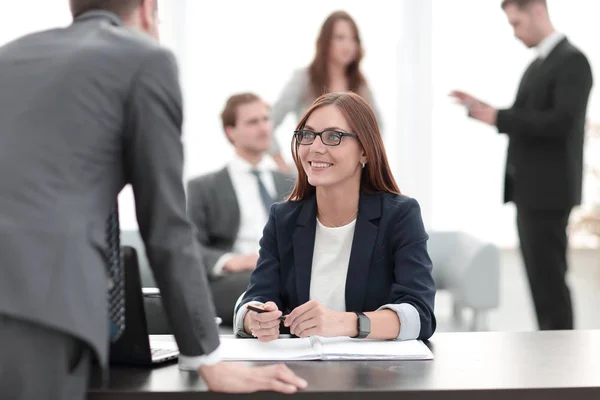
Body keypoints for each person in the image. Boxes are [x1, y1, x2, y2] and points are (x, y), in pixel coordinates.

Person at [0, 1, 306, 398]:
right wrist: (208, 359)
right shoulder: (144, 58)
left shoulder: (12, 56)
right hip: (38, 306)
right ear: (147, 11)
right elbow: (165, 226)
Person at [233, 92, 436, 342]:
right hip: (300, 373)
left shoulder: (400, 216)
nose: (315, 148)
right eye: (307, 135)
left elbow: (421, 315)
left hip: (374, 375)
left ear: (365, 152)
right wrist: (255, 319)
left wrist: (344, 322)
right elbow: (251, 302)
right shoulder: (282, 219)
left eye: (333, 137)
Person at [450, 0, 593, 330]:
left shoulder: (573, 61)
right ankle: (553, 362)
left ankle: (562, 366)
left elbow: (561, 123)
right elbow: (526, 117)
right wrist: (487, 111)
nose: (515, 33)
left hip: (550, 194)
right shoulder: (538, 65)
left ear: (538, 11)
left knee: (551, 287)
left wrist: (499, 117)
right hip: (531, 193)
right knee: (541, 286)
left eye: (517, 23)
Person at [187, 93, 294, 326]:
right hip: (237, 278)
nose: (264, 128)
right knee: (262, 284)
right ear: (230, 131)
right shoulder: (204, 187)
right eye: (252, 122)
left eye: (266, 119)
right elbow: (188, 244)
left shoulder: (291, 183)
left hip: (286, 272)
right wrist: (231, 260)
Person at [269, 11, 383, 172]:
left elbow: (377, 130)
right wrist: (281, 165)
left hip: (349, 176)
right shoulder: (304, 79)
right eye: (340, 38)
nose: (348, 45)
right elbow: (269, 122)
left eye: (354, 39)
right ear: (325, 41)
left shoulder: (360, 85)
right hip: (312, 172)